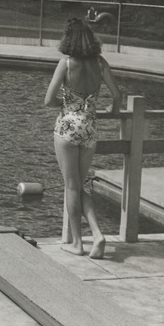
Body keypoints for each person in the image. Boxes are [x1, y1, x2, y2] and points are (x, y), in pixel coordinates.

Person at [44, 18, 122, 259]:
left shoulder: (66, 63)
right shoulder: (100, 63)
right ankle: (97, 234)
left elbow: (48, 100)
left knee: (71, 186)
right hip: (90, 127)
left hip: (68, 126)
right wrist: (113, 111)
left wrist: (67, 106)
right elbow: (117, 95)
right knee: (79, 185)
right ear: (90, 39)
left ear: (68, 39)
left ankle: (77, 243)